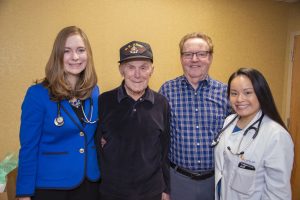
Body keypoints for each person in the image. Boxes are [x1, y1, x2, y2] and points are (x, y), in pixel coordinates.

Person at [16, 26, 100, 200]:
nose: (75, 57)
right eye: (67, 51)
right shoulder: (37, 94)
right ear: (57, 56)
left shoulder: (94, 92)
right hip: (51, 186)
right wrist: (24, 193)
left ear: (88, 54)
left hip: (90, 184)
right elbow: (29, 147)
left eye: (80, 50)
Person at [159, 32, 231, 200]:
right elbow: (157, 137)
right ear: (181, 58)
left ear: (210, 57)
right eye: (188, 54)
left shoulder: (225, 93)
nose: (194, 59)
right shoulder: (166, 91)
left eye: (201, 54)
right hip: (178, 181)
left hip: (216, 181)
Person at [95, 41, 170, 200]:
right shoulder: (103, 101)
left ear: (152, 70)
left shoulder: (161, 103)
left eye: (143, 67)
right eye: (131, 67)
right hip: (111, 193)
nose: (137, 74)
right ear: (121, 70)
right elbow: (97, 148)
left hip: (152, 192)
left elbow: (164, 151)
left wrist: (165, 190)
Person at [213, 67, 294, 200]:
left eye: (247, 92)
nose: (239, 99)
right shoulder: (229, 121)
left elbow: (278, 194)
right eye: (234, 93)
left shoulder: (276, 136)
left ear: (261, 93)